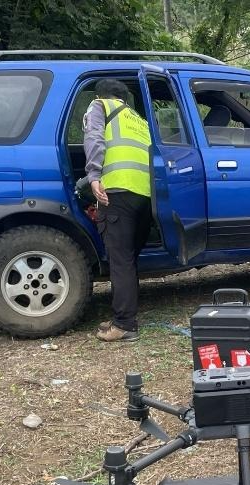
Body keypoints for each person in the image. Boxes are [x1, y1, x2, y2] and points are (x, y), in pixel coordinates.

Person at [83, 79, 153, 342]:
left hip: (117, 192)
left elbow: (93, 138)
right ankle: (124, 316)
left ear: (102, 94)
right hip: (145, 195)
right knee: (129, 259)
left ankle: (125, 324)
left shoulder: (99, 105)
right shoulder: (137, 118)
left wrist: (93, 174)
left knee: (120, 260)